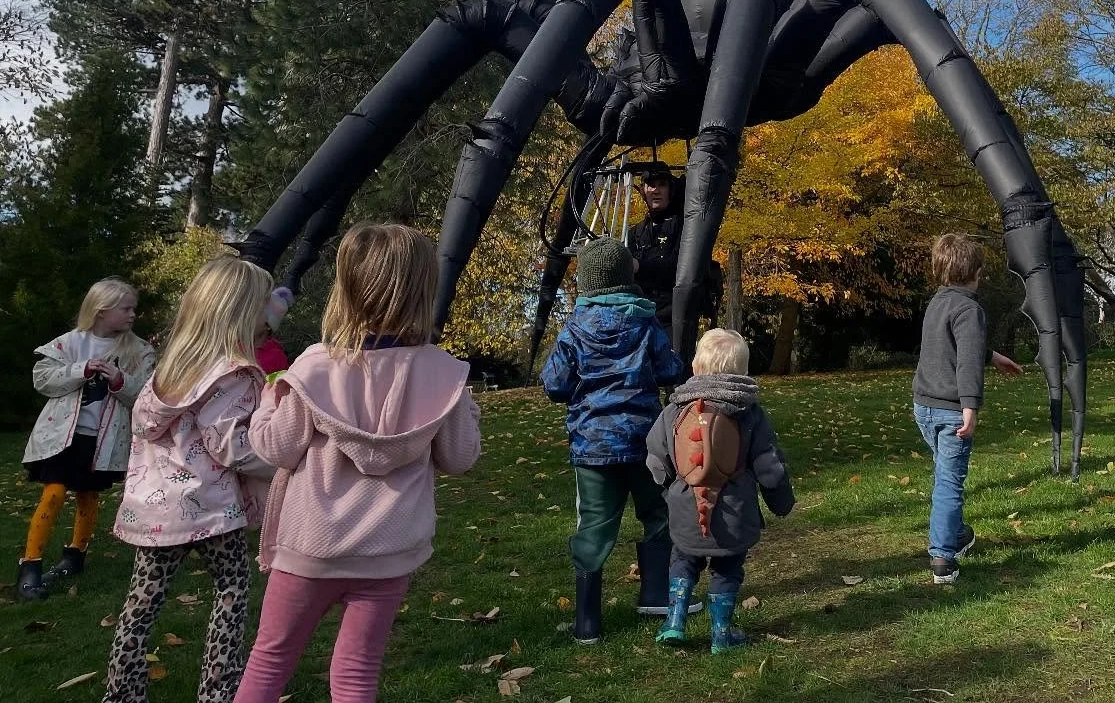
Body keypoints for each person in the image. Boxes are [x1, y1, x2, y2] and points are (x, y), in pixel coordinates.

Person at [235, 224, 481, 703]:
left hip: (312, 546)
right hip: (389, 552)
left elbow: (275, 448)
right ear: (423, 289)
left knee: (269, 662)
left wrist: (268, 400)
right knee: (356, 674)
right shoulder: (444, 372)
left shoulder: (314, 367)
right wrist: (466, 409)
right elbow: (459, 457)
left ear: (346, 287)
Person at [102, 258, 278, 703]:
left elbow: (144, 424)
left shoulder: (171, 368)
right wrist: (280, 458)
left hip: (156, 510)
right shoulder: (233, 375)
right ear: (238, 311)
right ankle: (219, 690)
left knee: (141, 604)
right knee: (233, 591)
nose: (268, 317)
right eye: (262, 306)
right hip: (213, 509)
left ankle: (122, 692)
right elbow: (232, 446)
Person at [542, 236, 686, 644]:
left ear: (587, 281)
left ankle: (587, 621)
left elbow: (554, 384)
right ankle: (655, 594)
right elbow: (670, 369)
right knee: (658, 513)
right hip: (644, 441)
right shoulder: (644, 321)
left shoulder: (575, 329)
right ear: (626, 278)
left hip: (593, 446)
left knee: (595, 525)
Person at [646, 328, 794, 653]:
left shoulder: (674, 411)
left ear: (696, 367)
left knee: (683, 560)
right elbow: (770, 466)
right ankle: (721, 635)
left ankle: (674, 621)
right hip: (734, 516)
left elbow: (656, 459)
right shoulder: (749, 414)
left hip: (685, 512)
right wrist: (781, 502)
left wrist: (665, 489)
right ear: (741, 372)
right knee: (728, 569)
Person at [18, 277, 157, 601]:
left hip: (103, 440)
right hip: (61, 437)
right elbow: (43, 380)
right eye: (126, 308)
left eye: (133, 308)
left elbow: (146, 395)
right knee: (53, 493)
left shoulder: (138, 350)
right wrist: (80, 370)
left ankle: (75, 554)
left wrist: (120, 380)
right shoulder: (69, 343)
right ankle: (30, 565)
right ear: (101, 310)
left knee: (88, 495)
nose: (132, 314)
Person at [911, 233, 1023, 584]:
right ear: (975, 272)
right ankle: (943, 558)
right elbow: (967, 364)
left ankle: (957, 534)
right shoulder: (970, 309)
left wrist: (995, 356)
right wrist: (970, 407)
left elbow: (957, 349)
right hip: (951, 410)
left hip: (924, 406)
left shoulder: (938, 303)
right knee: (949, 482)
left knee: (944, 473)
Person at [626, 166, 683, 324]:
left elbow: (677, 268)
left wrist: (638, 266)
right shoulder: (635, 232)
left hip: (670, 317)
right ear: (644, 191)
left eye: (662, 185)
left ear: (670, 191)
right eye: (651, 185)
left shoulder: (683, 227)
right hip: (639, 316)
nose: (656, 191)